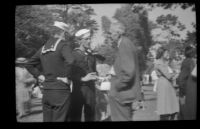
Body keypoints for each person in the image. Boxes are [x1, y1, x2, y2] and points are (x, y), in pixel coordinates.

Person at [25, 21, 75, 122]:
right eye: (66, 34)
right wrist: (66, 76)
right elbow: (71, 61)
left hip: (47, 92)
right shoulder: (63, 45)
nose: (67, 36)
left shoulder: (43, 48)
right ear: (63, 33)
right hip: (60, 91)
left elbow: (29, 64)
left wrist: (39, 75)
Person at [108, 21, 141, 121]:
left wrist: (116, 86)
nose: (110, 35)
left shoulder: (124, 44)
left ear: (117, 32)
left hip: (121, 95)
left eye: (111, 33)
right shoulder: (125, 43)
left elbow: (128, 72)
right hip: (123, 94)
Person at [69, 29, 97, 121]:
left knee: (90, 116)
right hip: (78, 90)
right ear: (80, 40)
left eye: (89, 38)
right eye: (87, 39)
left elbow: (94, 70)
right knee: (75, 116)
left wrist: (97, 77)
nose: (89, 41)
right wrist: (83, 79)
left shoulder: (91, 55)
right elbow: (69, 74)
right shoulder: (73, 55)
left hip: (91, 90)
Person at [154, 47, 179, 120]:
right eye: (166, 53)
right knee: (165, 107)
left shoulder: (164, 63)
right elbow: (168, 75)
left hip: (167, 84)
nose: (168, 54)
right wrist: (175, 73)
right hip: (164, 85)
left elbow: (170, 75)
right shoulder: (159, 62)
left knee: (171, 107)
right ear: (162, 54)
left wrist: (174, 73)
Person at [177, 46, 196, 120]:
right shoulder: (188, 62)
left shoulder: (191, 61)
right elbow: (181, 79)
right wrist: (183, 93)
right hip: (189, 92)